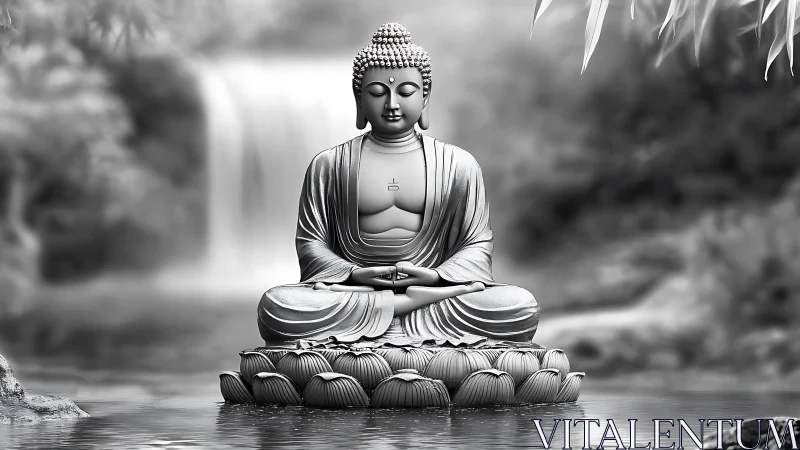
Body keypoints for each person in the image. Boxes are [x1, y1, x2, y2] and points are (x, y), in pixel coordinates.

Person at [257, 23, 539, 345]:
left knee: (519, 307)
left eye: (406, 92)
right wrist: (352, 273)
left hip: (436, 294)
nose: (392, 104)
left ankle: (390, 317)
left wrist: (435, 277)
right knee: (278, 306)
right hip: (356, 293)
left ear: (425, 96)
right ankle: (407, 311)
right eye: (377, 93)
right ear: (359, 99)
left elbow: (477, 245)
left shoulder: (459, 165)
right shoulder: (329, 165)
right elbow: (311, 244)